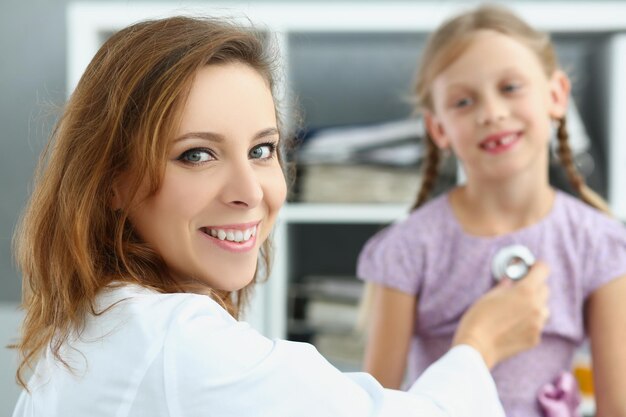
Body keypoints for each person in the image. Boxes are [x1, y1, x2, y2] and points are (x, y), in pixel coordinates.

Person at [12, 15, 550, 417]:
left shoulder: (90, 331)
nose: (251, 192)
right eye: (197, 155)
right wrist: (479, 344)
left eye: (263, 149)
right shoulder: (177, 342)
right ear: (113, 183)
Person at [357, 4, 626, 417]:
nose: (492, 113)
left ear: (555, 96)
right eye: (464, 101)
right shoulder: (409, 248)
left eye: (511, 87)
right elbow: (378, 404)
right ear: (439, 128)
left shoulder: (599, 243)